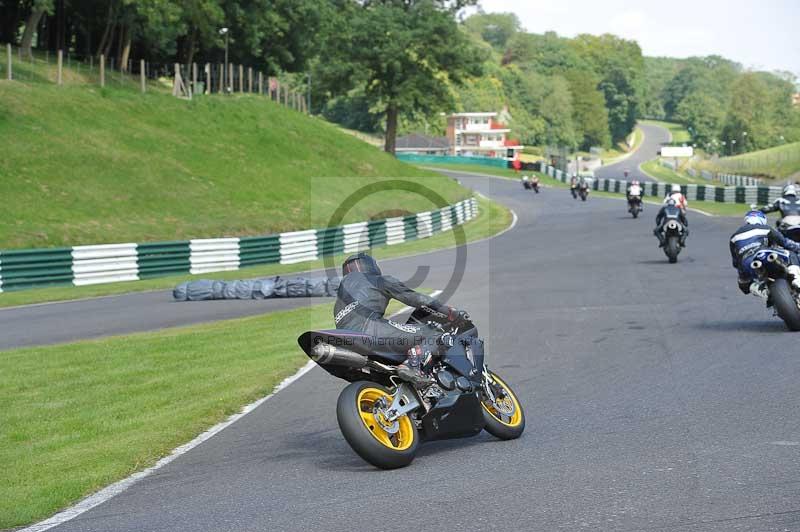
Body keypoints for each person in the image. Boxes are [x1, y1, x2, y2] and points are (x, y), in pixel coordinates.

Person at [333, 253, 468, 386]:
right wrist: (449, 312)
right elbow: (415, 298)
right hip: (370, 330)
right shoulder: (376, 280)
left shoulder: (341, 296)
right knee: (434, 334)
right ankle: (411, 366)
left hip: (346, 342)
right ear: (370, 265)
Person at [729, 210, 800, 299]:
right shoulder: (765, 228)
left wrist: (743, 275)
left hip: (747, 263)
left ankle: (764, 293)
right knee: (791, 254)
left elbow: (735, 262)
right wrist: (797, 247)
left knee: (744, 284)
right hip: (763, 253)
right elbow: (785, 243)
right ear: (762, 219)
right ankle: (797, 281)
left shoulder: (734, 237)